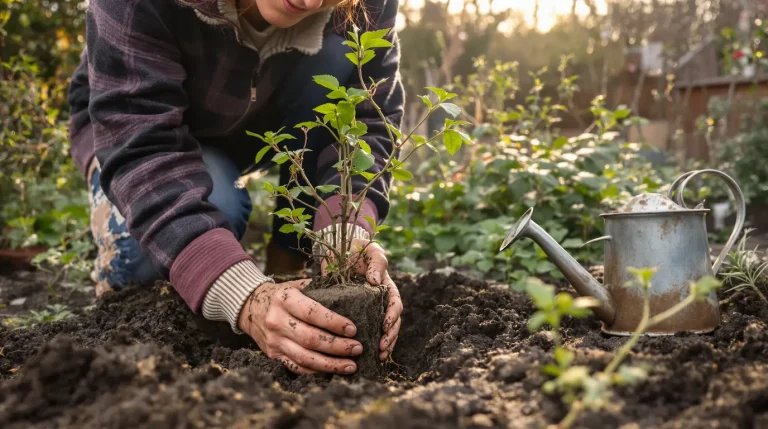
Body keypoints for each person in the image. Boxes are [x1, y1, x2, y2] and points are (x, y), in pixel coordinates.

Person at [66, 0, 404, 376]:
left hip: (256, 124)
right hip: (140, 132)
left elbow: (368, 118)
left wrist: (346, 228)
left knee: (339, 53)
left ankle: (291, 269)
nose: (310, 2)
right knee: (206, 217)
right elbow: (139, 142)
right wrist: (244, 296)